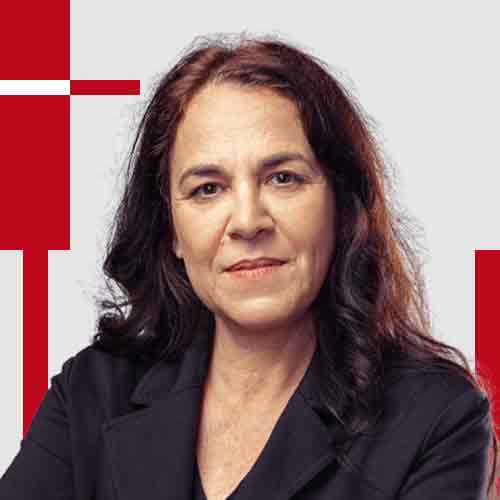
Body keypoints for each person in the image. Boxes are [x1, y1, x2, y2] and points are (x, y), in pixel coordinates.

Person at [0, 32, 498, 500]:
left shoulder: (436, 418)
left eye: (283, 178)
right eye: (207, 189)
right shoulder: (94, 390)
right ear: (171, 229)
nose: (246, 222)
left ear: (342, 206)